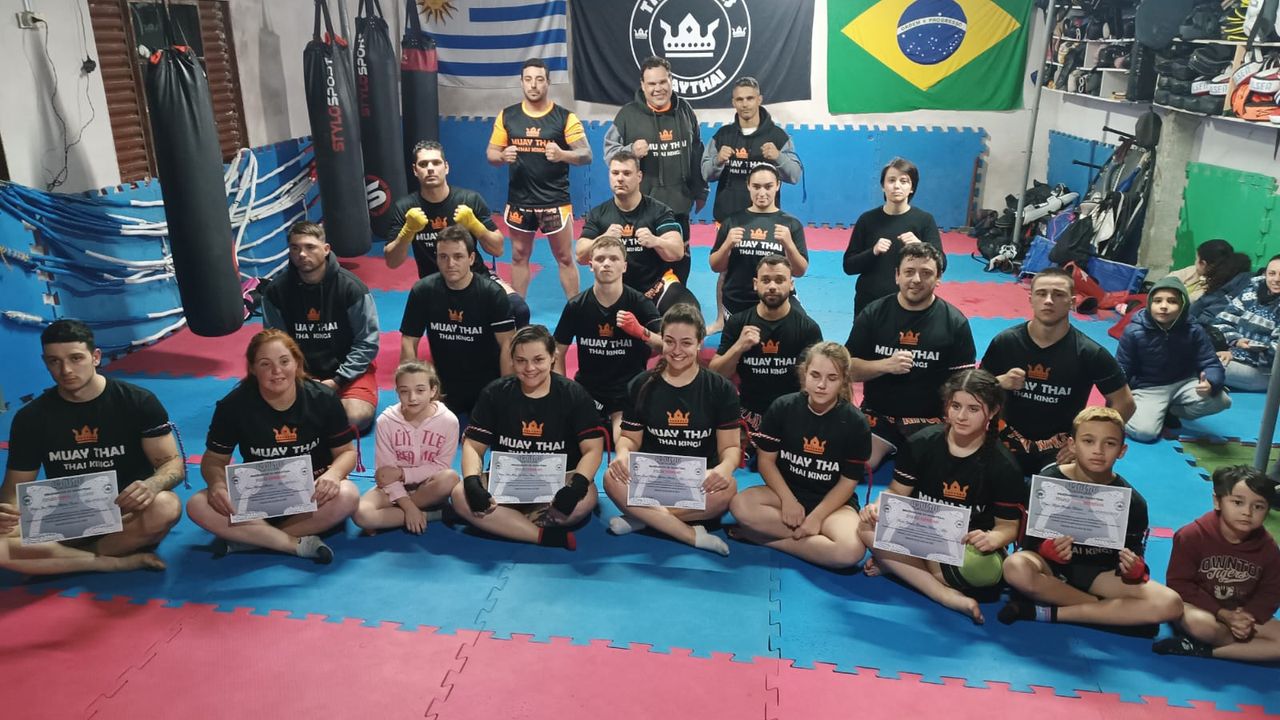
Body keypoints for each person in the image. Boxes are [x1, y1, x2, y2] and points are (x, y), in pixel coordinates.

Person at [0, 319, 182, 574]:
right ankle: (111, 561)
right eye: (54, 361)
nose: (66, 370)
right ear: (45, 362)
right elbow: (14, 489)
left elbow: (172, 463)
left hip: (124, 512)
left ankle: (61, 560)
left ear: (95, 357)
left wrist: (153, 484)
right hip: (65, 514)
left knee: (166, 506)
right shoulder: (31, 417)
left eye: (76, 358)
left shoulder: (137, 401)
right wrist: (6, 513)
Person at [856, 369, 1024, 624]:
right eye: (955, 406)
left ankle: (897, 565)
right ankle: (942, 593)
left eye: (973, 409)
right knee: (866, 525)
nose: (961, 416)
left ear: (992, 412)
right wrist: (878, 506)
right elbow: (897, 492)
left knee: (987, 572)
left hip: (964, 545)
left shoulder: (1003, 465)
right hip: (922, 532)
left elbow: (1008, 527)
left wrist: (993, 538)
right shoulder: (922, 442)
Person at [999, 407, 1183, 632]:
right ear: (1072, 445)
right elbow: (1026, 544)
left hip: (1099, 573)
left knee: (1171, 604)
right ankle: (1107, 612)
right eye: (1088, 441)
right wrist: (1045, 550)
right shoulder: (1046, 482)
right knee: (1015, 567)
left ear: (1122, 451)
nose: (1098, 450)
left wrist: (1134, 569)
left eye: (1109, 443)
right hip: (1050, 568)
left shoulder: (1133, 502)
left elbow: (1134, 554)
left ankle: (1045, 613)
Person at [187, 329, 360, 564]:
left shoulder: (323, 399)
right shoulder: (233, 406)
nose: (277, 371)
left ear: (297, 363)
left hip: (311, 494)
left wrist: (334, 474)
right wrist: (217, 485)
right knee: (197, 505)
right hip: (256, 496)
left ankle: (251, 539)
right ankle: (293, 544)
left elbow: (347, 453)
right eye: (265, 364)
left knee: (348, 495)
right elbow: (214, 460)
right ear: (252, 368)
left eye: (284, 361)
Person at [451, 326, 606, 550]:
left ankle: (506, 522)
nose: (530, 368)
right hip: (507, 481)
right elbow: (474, 446)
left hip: (557, 481)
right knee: (460, 495)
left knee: (587, 498)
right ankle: (540, 535)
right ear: (512, 361)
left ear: (553, 357)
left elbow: (593, 449)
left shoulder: (574, 394)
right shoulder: (495, 393)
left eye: (538, 359)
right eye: (521, 361)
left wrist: (576, 488)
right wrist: (472, 483)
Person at [604, 304, 740, 556]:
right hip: (651, 477)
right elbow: (630, 439)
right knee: (611, 478)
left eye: (686, 343)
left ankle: (643, 518)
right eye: (669, 342)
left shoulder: (720, 389)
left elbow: (731, 447)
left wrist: (725, 467)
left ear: (700, 343)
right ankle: (690, 535)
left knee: (728, 489)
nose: (677, 351)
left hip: (697, 479)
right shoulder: (641, 385)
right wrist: (622, 454)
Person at [981, 267, 1136, 475]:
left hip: (1060, 448)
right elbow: (975, 389)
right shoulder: (1006, 342)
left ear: (1072, 302)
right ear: (1031, 299)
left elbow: (1125, 402)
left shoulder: (1089, 352)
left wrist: (1085, 442)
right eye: (1041, 293)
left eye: (1058, 294)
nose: (1048, 300)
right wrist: (999, 382)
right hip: (1006, 440)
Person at [729, 342, 871, 569]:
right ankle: (816, 543)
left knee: (850, 550)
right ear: (804, 373)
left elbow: (848, 481)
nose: (821, 385)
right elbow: (766, 462)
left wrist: (817, 517)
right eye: (815, 375)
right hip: (784, 493)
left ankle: (766, 540)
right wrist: (788, 501)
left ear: (844, 380)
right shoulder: (783, 407)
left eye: (832, 378)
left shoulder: (856, 423)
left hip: (833, 503)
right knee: (740, 505)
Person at [847, 242, 976, 469]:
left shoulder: (954, 322)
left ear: (938, 278)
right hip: (879, 415)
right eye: (909, 272)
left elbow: (964, 384)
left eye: (926, 273)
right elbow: (848, 369)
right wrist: (885, 365)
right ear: (897, 275)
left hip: (930, 419)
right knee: (859, 465)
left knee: (939, 471)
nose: (916, 279)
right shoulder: (874, 313)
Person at [385, 140, 529, 327]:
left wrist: (474, 224)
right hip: (435, 284)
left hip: (476, 276)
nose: (430, 168)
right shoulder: (405, 207)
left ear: (446, 167)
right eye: (423, 164)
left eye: (436, 163)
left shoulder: (469, 200)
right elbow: (392, 261)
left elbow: (498, 249)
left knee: (518, 309)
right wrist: (408, 231)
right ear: (415, 170)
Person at [702, 76, 802, 331]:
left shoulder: (777, 136)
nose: (745, 104)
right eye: (739, 99)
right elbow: (704, 173)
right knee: (726, 270)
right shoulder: (723, 135)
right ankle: (722, 319)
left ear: (759, 99)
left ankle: (771, 314)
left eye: (749, 98)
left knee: (769, 267)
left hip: (766, 217)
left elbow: (794, 175)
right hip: (729, 215)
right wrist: (718, 161)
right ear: (733, 102)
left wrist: (778, 157)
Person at [486, 58, 591, 301]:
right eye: (528, 79)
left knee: (564, 257)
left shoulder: (564, 117)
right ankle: (518, 311)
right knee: (518, 256)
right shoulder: (508, 116)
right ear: (521, 82)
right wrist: (502, 156)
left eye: (539, 79)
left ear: (548, 82)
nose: (533, 85)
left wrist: (563, 154)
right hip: (520, 200)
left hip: (554, 200)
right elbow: (491, 154)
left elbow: (586, 154)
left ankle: (575, 312)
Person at [262, 221, 380, 431]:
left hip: (349, 372)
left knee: (355, 417)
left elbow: (367, 343)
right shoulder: (275, 292)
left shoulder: (352, 288)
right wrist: (301, 378)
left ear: (326, 249)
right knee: (264, 415)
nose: (302, 254)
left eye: (310, 247)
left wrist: (339, 379)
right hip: (300, 374)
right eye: (295, 248)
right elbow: (275, 345)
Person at [1156, 465, 1280, 661]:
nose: (1247, 512)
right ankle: (1239, 645)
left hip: (1241, 615)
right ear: (1217, 501)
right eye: (1238, 502)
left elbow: (1271, 592)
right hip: (1200, 609)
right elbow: (1179, 584)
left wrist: (1248, 616)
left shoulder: (1269, 548)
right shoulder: (1191, 536)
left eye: (1258, 506)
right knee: (1201, 625)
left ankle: (1203, 650)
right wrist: (1222, 614)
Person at [604, 55, 707, 285]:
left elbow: (697, 153)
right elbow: (609, 154)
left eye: (662, 82)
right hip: (643, 208)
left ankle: (675, 301)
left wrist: (701, 190)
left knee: (679, 260)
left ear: (671, 80)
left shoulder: (685, 111)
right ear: (643, 85)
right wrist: (631, 150)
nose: (658, 88)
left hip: (679, 203)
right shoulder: (627, 115)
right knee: (644, 265)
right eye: (652, 83)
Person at [400, 225, 517, 423]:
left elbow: (508, 345)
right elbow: (409, 341)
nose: (450, 264)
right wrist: (412, 387)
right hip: (443, 386)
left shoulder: (491, 294)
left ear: (471, 258)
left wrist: (504, 395)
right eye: (443, 257)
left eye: (458, 256)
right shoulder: (423, 291)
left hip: (486, 385)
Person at [709, 255, 821, 459]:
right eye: (766, 280)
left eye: (779, 280)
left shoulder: (807, 328)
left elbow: (816, 383)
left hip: (789, 413)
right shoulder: (738, 323)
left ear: (791, 284)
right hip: (748, 414)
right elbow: (716, 374)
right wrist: (738, 348)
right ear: (755, 284)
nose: (772, 287)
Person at [554, 235, 662, 438]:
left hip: (628, 389)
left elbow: (667, 345)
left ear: (624, 266)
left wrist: (641, 332)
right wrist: (562, 389)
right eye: (600, 259)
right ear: (590, 265)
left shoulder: (639, 303)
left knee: (623, 440)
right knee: (569, 437)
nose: (606, 264)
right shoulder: (576, 306)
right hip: (589, 390)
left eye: (613, 258)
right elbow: (557, 352)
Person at [577, 150, 699, 313]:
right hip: (614, 291)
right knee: (579, 312)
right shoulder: (598, 214)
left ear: (639, 176)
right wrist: (603, 239)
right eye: (615, 173)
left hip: (656, 289)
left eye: (627, 173)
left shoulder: (658, 211)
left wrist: (655, 241)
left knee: (688, 311)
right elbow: (580, 256)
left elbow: (677, 252)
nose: (620, 178)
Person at [1118, 276, 1231, 442]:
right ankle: (1146, 411)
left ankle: (1169, 411)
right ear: (1150, 304)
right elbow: (1122, 367)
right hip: (1148, 387)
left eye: (1172, 301)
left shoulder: (1194, 330)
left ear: (1182, 305)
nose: (1163, 306)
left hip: (1183, 383)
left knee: (1222, 400)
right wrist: (1117, 403)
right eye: (1157, 301)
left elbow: (1210, 362)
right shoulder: (1133, 331)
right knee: (1145, 433)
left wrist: (1211, 382)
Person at [353, 362, 460, 535]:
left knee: (450, 478)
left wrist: (404, 473)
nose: (412, 398)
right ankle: (432, 515)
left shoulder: (449, 421)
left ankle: (391, 517)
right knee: (361, 514)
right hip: (392, 487)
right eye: (404, 391)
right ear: (397, 392)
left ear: (433, 390)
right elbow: (386, 475)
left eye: (420, 390)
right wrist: (409, 507)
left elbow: (441, 466)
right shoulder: (386, 421)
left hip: (429, 485)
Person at [842, 158, 944, 317]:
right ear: (883, 186)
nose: (897, 186)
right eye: (891, 180)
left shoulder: (924, 220)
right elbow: (848, 266)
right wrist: (873, 252)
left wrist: (922, 246)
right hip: (869, 301)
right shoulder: (867, 220)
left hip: (911, 301)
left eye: (904, 181)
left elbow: (942, 264)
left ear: (912, 188)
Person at [708, 166, 808, 317]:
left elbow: (800, 271)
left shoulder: (791, 224)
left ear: (778, 185)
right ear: (748, 186)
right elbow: (715, 266)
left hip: (778, 297)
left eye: (768, 187)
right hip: (738, 300)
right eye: (756, 186)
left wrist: (789, 245)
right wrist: (727, 245)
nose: (762, 193)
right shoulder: (732, 222)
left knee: (805, 328)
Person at [1214, 254, 1280, 392]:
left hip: (1268, 372)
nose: (1276, 279)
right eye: (1272, 273)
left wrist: (1236, 354)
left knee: (1205, 364)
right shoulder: (1252, 291)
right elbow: (1221, 321)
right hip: (1233, 353)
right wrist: (1236, 341)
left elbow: (1275, 352)